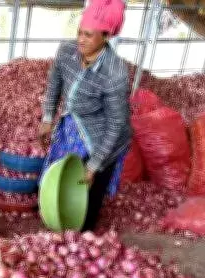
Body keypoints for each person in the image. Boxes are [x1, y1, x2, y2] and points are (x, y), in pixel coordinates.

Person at [38, 0, 131, 231]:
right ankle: (54, 212)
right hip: (74, 121)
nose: (80, 39)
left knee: (88, 189)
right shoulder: (67, 51)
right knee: (61, 173)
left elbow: (116, 123)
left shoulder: (114, 72)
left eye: (88, 35)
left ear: (106, 36)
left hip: (104, 134)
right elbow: (54, 82)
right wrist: (48, 117)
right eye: (79, 32)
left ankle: (83, 229)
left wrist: (94, 165)